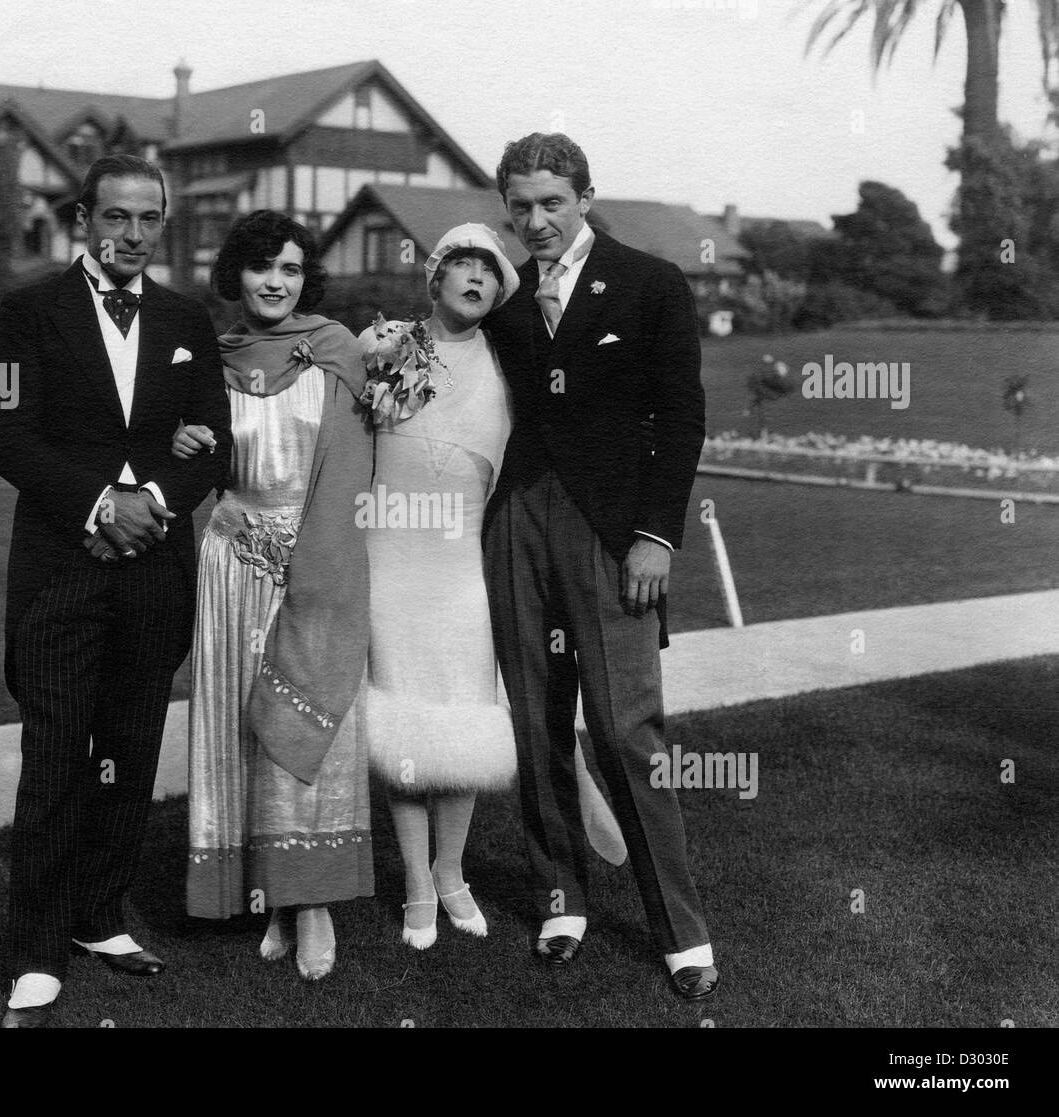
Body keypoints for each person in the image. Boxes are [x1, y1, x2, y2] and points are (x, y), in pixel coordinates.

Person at [0, 154, 232, 1028]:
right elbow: (8, 439)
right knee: (55, 755)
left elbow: (216, 447)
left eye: (148, 219)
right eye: (117, 217)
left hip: (155, 567)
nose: (132, 235)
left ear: (162, 223)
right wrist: (100, 502)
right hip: (61, 567)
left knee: (128, 745)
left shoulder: (185, 318)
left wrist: (153, 501)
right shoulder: (27, 312)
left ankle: (99, 916)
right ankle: (36, 950)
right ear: (85, 217)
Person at [480, 133, 720, 999]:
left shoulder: (653, 283)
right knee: (536, 720)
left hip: (613, 529)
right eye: (520, 206)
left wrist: (656, 534)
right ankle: (560, 898)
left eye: (551, 202)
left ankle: (681, 931)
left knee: (627, 729)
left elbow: (683, 418)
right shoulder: (502, 300)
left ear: (584, 196)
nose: (536, 220)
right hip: (517, 521)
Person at [173, 210, 374, 981]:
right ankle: (261, 889)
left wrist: (309, 561)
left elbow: (351, 477)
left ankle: (312, 901)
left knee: (303, 712)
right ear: (237, 275)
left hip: (314, 556)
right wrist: (181, 444)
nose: (275, 283)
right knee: (238, 726)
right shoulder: (208, 360)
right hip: (229, 560)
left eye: (290, 270)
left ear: (306, 278)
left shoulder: (336, 352)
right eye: (261, 269)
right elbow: (196, 458)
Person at [356, 225, 519, 949]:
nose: (477, 277)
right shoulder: (384, 342)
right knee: (402, 719)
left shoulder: (508, 363)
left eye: (491, 268)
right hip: (389, 550)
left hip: (461, 561)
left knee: (460, 717)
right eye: (464, 262)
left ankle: (451, 873)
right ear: (436, 274)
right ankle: (415, 883)